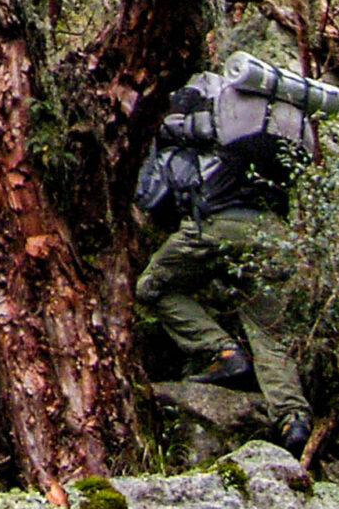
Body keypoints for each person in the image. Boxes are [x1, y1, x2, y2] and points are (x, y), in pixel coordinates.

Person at [133, 79, 315, 454]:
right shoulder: (270, 132)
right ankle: (292, 418)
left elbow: (162, 165)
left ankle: (222, 351)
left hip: (218, 225)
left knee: (152, 287)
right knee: (267, 331)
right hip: (273, 236)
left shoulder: (205, 123)